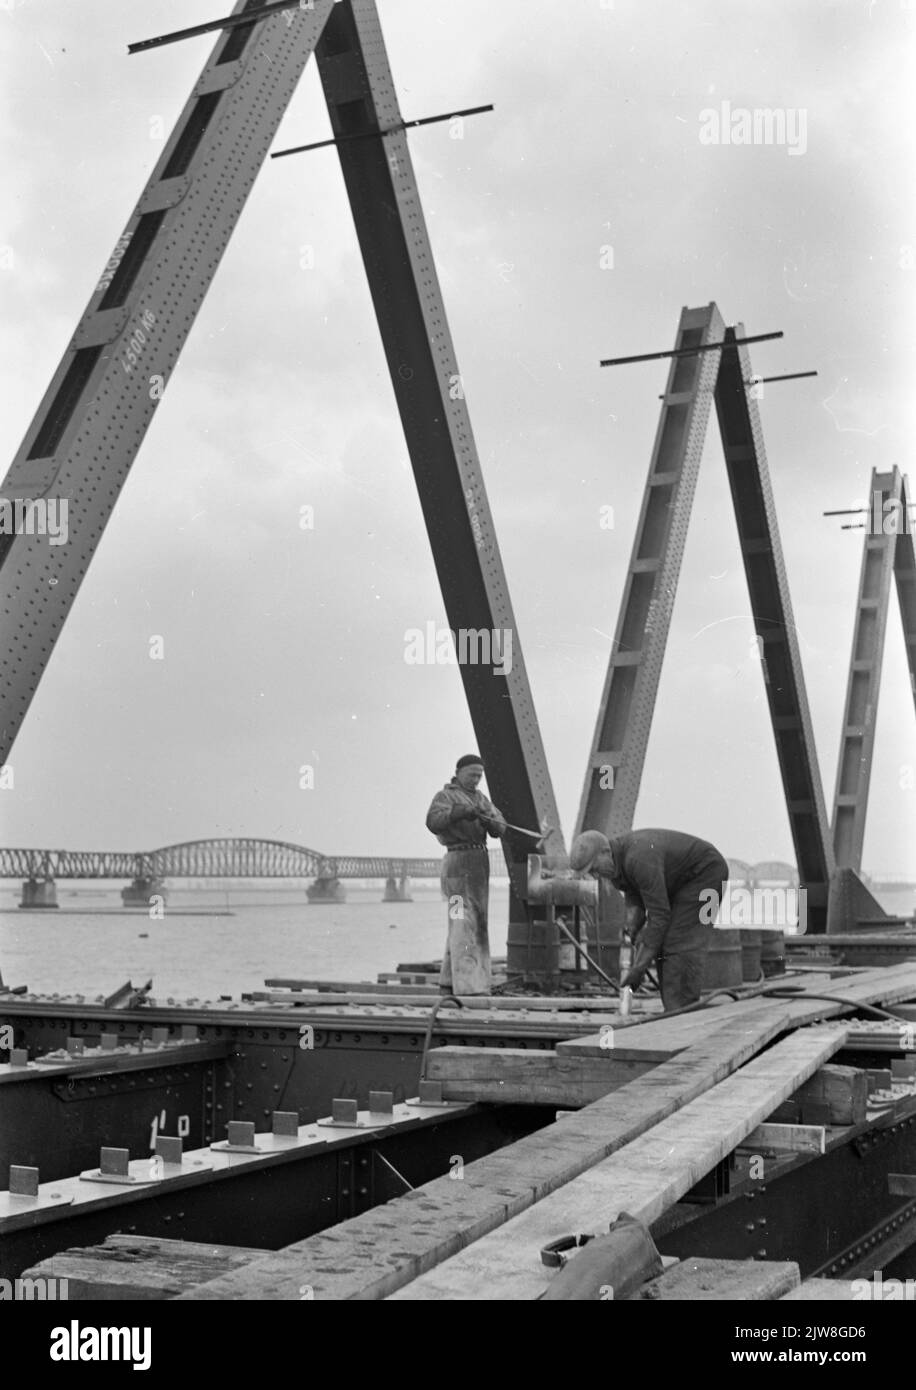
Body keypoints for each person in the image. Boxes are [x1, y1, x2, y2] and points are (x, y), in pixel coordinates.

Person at [569, 827, 729, 1012]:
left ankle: (682, 1012)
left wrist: (639, 968)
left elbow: (660, 916)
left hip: (707, 874)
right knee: (661, 943)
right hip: (679, 881)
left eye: (595, 868)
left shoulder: (638, 859)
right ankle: (674, 1009)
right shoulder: (615, 866)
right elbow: (635, 896)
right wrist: (631, 930)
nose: (596, 876)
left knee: (680, 942)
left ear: (605, 852)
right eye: (591, 873)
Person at [426, 755, 506, 996]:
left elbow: (500, 827)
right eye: (472, 774)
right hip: (457, 863)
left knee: (475, 921)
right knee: (461, 919)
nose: (476, 780)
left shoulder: (482, 799)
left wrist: (487, 818)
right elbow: (432, 822)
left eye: (479, 776)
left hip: (479, 863)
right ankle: (469, 985)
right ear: (458, 772)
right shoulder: (445, 796)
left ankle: (449, 981)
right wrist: (459, 813)